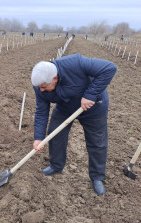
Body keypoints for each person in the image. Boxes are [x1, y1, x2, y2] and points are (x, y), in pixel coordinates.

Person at [30, 54, 117, 195]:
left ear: (55, 78)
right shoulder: (40, 86)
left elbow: (109, 68)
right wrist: (38, 137)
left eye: (44, 87)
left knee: (97, 142)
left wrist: (90, 94)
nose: (41, 90)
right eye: (39, 87)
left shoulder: (76, 63)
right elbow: (41, 111)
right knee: (55, 135)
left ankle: (97, 177)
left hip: (92, 108)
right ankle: (56, 165)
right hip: (64, 107)